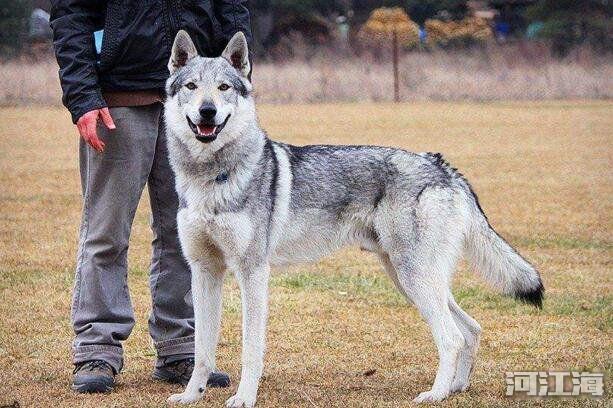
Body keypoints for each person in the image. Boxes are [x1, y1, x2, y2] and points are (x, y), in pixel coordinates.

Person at [49, 1, 252, 394]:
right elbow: (72, 13)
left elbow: (232, 9)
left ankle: (180, 345)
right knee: (105, 233)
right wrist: (84, 97)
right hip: (117, 99)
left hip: (195, 105)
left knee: (186, 233)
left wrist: (228, 81)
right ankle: (97, 347)